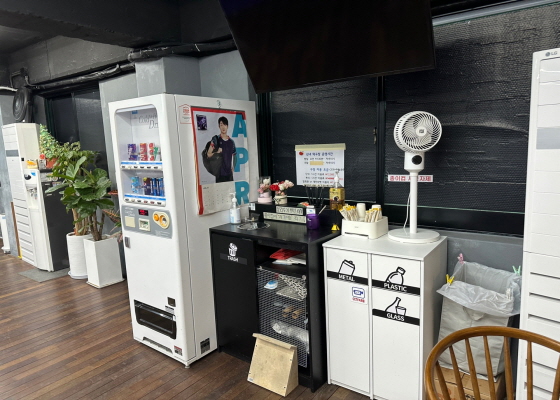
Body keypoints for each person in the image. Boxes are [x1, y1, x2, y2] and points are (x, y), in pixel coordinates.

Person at [207, 116, 237, 183]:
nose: (223, 127)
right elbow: (208, 154)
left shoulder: (231, 142)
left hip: (229, 175)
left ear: (227, 126)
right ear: (219, 126)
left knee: (231, 190)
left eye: (225, 125)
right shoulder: (215, 139)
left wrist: (233, 167)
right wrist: (217, 152)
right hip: (219, 175)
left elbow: (235, 155)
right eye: (221, 125)